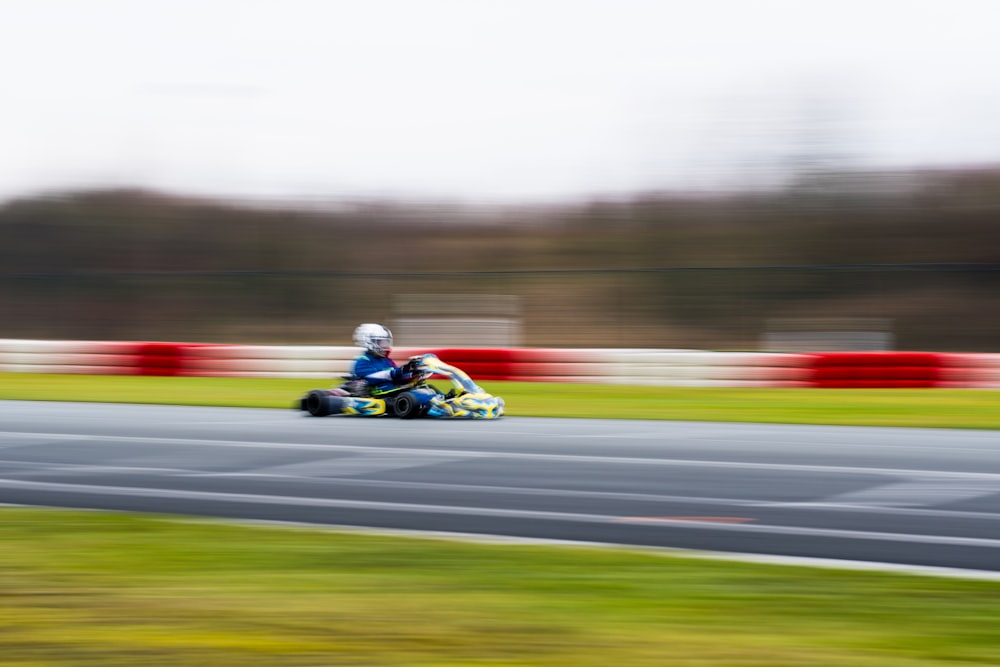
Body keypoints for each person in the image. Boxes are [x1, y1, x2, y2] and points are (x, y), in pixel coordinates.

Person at [350, 323, 422, 396]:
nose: (385, 346)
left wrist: (411, 372)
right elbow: (372, 378)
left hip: (391, 391)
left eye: (386, 342)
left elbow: (397, 375)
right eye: (381, 342)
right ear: (369, 342)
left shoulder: (386, 360)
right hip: (375, 394)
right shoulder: (363, 361)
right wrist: (395, 373)